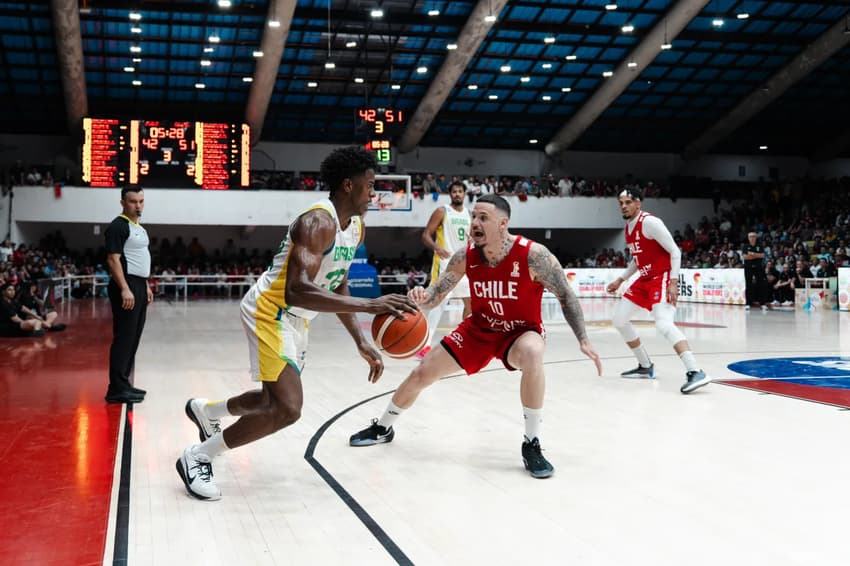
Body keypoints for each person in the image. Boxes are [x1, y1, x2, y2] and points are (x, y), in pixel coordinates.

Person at [176, 146, 416, 501]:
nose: (374, 193)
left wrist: (360, 339)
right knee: (288, 408)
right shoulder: (317, 221)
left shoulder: (357, 227)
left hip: (297, 320)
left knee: (270, 398)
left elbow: (338, 281)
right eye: (370, 186)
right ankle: (197, 457)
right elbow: (296, 291)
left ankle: (208, 410)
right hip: (270, 310)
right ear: (348, 186)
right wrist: (371, 304)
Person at [349, 194, 602, 479]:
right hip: (478, 329)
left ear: (503, 224)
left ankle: (532, 442)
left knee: (533, 353)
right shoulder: (465, 255)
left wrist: (583, 338)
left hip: (519, 332)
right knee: (422, 373)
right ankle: (384, 426)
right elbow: (436, 294)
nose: (475, 223)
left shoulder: (534, 255)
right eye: (474, 217)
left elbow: (566, 295)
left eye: (484, 218)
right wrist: (423, 296)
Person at [606, 188, 711, 394]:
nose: (624, 206)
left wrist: (673, 281)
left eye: (628, 202)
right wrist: (621, 279)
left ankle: (695, 371)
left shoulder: (650, 223)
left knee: (663, 323)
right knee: (619, 320)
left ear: (638, 204)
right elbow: (637, 261)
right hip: (644, 279)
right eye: (621, 203)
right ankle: (645, 366)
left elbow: (675, 251)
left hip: (661, 277)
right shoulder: (628, 228)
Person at [104, 184, 152, 404]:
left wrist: (146, 286)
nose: (138, 205)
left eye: (141, 201)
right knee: (124, 337)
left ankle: (124, 383)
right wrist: (125, 287)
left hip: (139, 284)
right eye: (133, 201)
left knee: (134, 337)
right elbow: (113, 259)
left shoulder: (138, 227)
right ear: (123, 203)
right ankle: (115, 388)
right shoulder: (118, 226)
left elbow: (140, 257)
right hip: (127, 284)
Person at [417, 180, 472, 359]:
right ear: (450, 194)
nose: (457, 194)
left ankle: (466, 342)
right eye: (454, 191)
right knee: (436, 304)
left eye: (460, 191)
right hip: (444, 265)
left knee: (471, 303)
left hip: (464, 266)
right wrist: (437, 248)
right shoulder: (442, 211)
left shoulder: (469, 214)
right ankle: (423, 344)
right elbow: (425, 235)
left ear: (464, 194)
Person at [742, 231, 768, 311]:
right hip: (748, 267)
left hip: (758, 267)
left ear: (756, 237)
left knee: (761, 284)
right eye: (750, 236)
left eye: (754, 236)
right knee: (748, 285)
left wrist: (752, 254)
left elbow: (762, 255)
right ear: (748, 238)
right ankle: (748, 303)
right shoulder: (745, 246)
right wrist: (756, 255)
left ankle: (762, 303)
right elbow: (745, 257)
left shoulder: (760, 246)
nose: (752, 238)